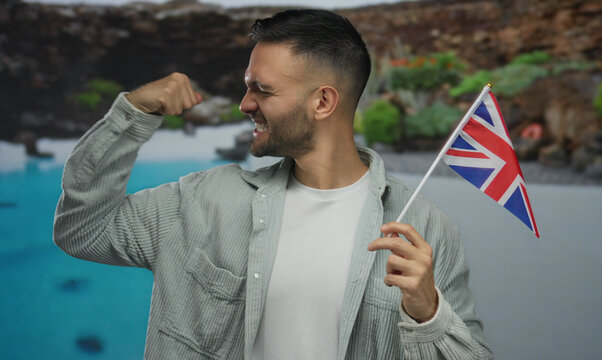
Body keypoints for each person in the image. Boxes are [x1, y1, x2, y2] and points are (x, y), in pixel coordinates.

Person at [54, 9, 492, 360]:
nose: (246, 104)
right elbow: (83, 230)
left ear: (323, 101)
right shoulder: (205, 200)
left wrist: (428, 314)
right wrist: (132, 114)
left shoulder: (424, 229)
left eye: (262, 90)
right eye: (248, 88)